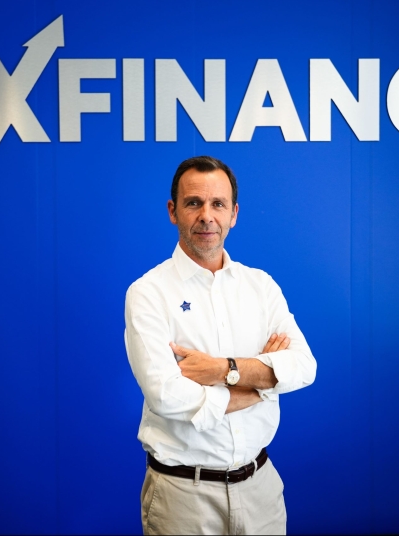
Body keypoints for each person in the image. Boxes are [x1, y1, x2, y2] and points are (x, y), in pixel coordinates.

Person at [124, 155, 317, 535]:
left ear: (234, 214)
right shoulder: (148, 293)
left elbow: (303, 366)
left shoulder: (261, 286)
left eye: (218, 204)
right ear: (173, 211)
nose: (206, 216)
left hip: (261, 489)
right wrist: (262, 385)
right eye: (193, 203)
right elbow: (166, 395)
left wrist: (221, 370)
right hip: (184, 497)